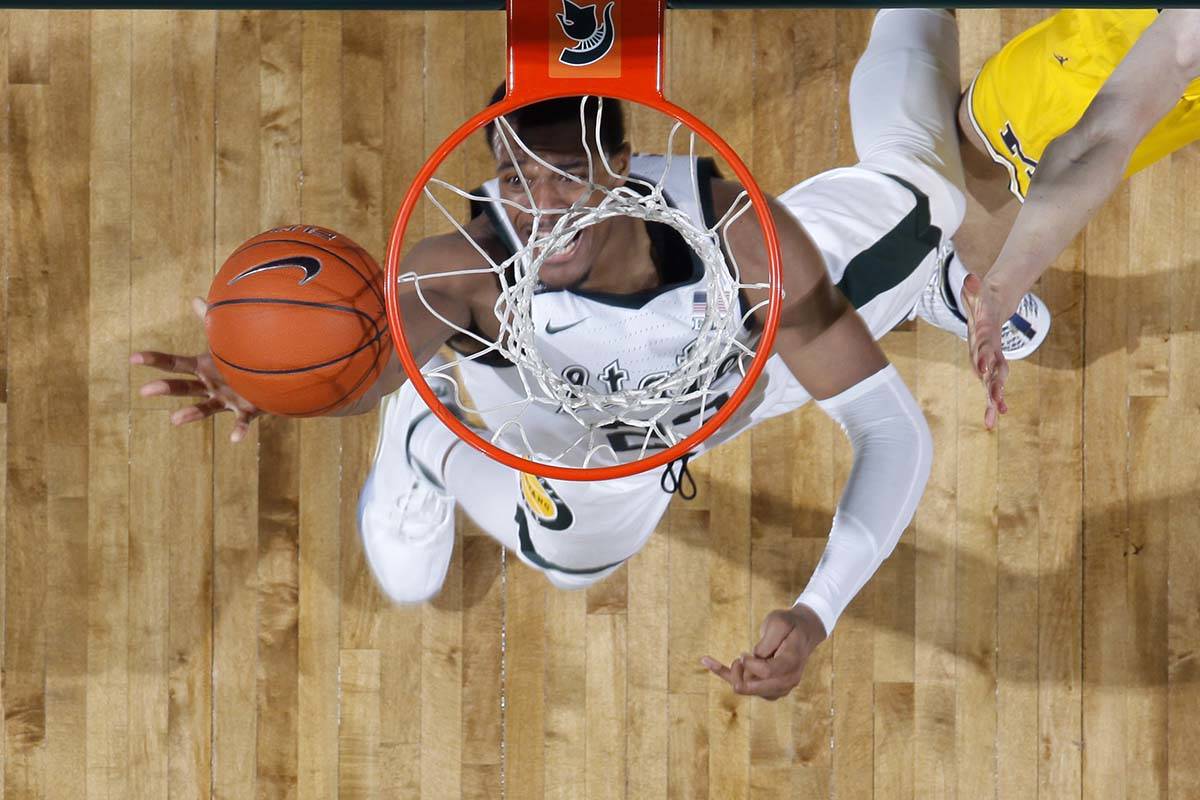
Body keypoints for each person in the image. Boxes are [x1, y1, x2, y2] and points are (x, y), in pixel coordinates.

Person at [134, 9, 974, 701]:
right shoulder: (464, 279)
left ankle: (943, 271)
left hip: (733, 361)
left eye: (565, 176)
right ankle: (424, 446)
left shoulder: (747, 241)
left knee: (930, 191)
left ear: (621, 165)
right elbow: (370, 366)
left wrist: (820, 608)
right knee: (579, 558)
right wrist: (268, 379)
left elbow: (891, 431)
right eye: (515, 178)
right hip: (564, 415)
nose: (538, 209)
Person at [950, 9, 1200, 428]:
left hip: (1178, 83)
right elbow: (1099, 136)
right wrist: (998, 287)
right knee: (982, 178)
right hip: (1099, 61)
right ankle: (944, 279)